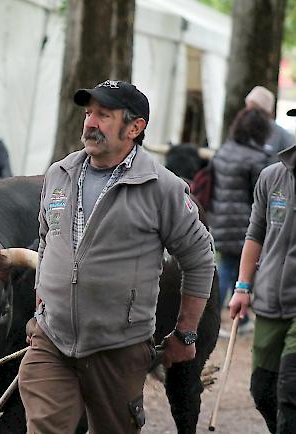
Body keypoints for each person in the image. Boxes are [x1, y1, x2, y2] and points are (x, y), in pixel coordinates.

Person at [18, 80, 215, 433]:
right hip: (53, 341)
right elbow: (47, 242)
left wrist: (185, 332)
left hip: (119, 347)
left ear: (135, 127)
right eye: (89, 113)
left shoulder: (162, 188)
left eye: (104, 115)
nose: (90, 123)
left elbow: (200, 257)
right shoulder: (58, 175)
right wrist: (41, 308)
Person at [228, 108, 296, 434]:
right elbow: (255, 234)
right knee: (262, 390)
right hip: (269, 300)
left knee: (290, 390)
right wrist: (242, 287)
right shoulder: (273, 176)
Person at [210, 107, 273, 337]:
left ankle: (213, 317)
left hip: (221, 221)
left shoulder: (224, 151)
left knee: (225, 270)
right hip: (245, 225)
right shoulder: (258, 158)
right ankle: (231, 319)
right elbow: (261, 199)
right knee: (240, 273)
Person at [245, 86, 294, 158]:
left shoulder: (282, 136)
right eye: (247, 106)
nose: (249, 112)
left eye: (254, 108)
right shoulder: (242, 130)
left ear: (265, 110)